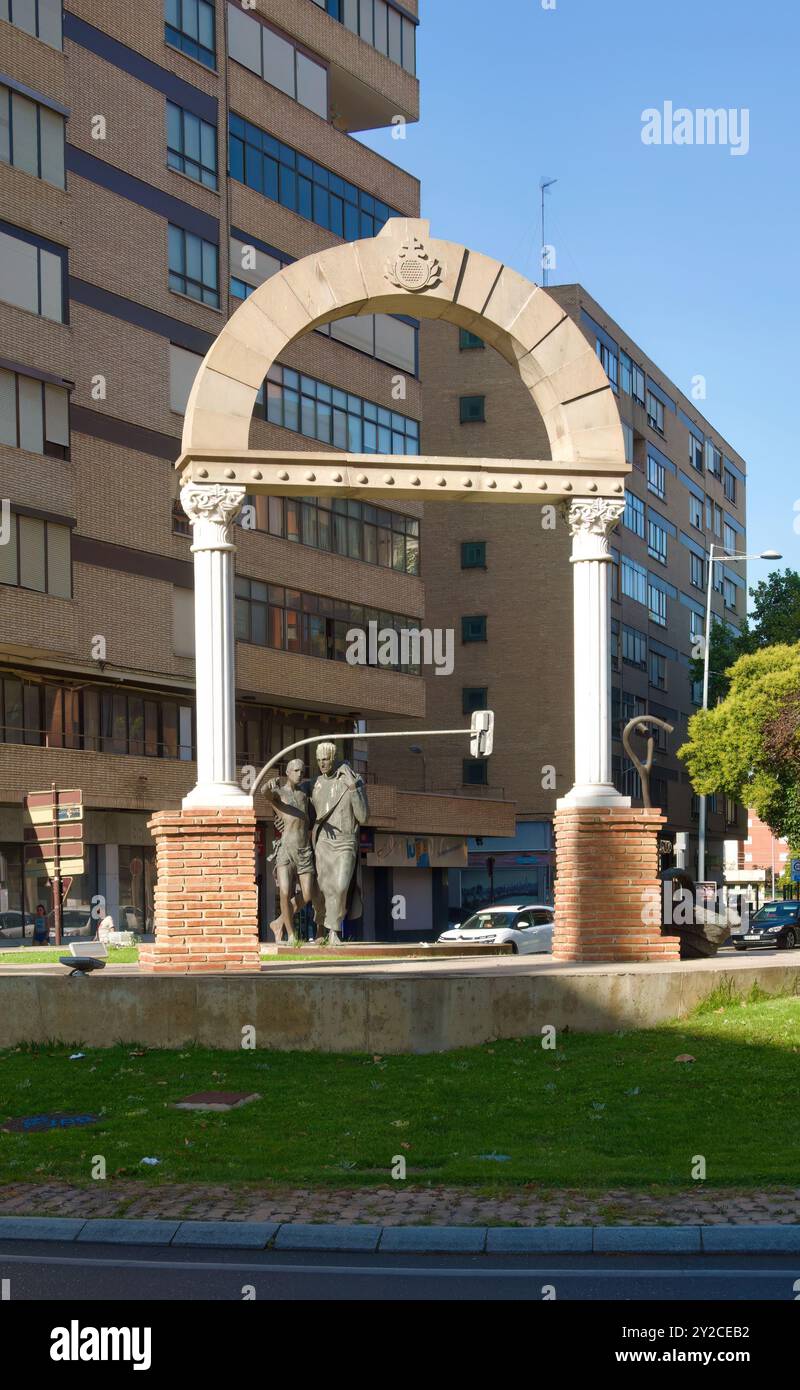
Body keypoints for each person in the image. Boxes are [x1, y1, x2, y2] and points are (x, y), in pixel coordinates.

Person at [308, 743, 369, 947]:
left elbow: (363, 816)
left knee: (341, 886)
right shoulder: (314, 784)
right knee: (324, 888)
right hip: (324, 843)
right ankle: (325, 929)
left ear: (333, 758)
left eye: (325, 759)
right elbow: (296, 801)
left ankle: (333, 929)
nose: (322, 764)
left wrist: (352, 788)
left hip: (345, 842)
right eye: (318, 760)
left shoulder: (354, 781)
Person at [263, 759, 324, 944]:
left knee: (307, 894)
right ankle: (291, 935)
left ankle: (279, 922)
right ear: (288, 772)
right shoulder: (279, 793)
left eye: (302, 770)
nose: (300, 774)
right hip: (285, 849)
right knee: (285, 891)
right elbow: (265, 794)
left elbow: (319, 780)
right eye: (296, 771)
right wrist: (267, 785)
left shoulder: (304, 792)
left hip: (304, 849)